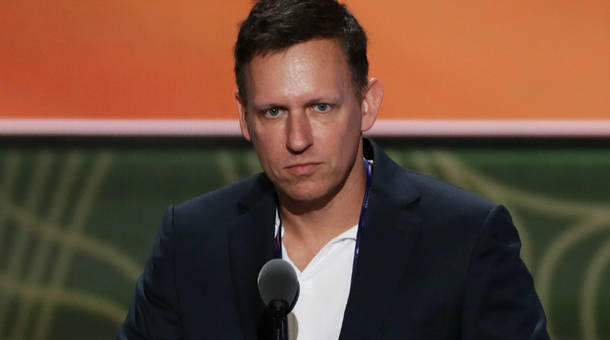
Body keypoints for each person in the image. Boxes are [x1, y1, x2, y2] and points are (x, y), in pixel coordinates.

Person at [117, 0, 549, 339]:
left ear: (367, 103)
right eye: (272, 112)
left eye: (320, 107)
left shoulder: (465, 241)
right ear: (243, 117)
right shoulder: (192, 242)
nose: (298, 138)